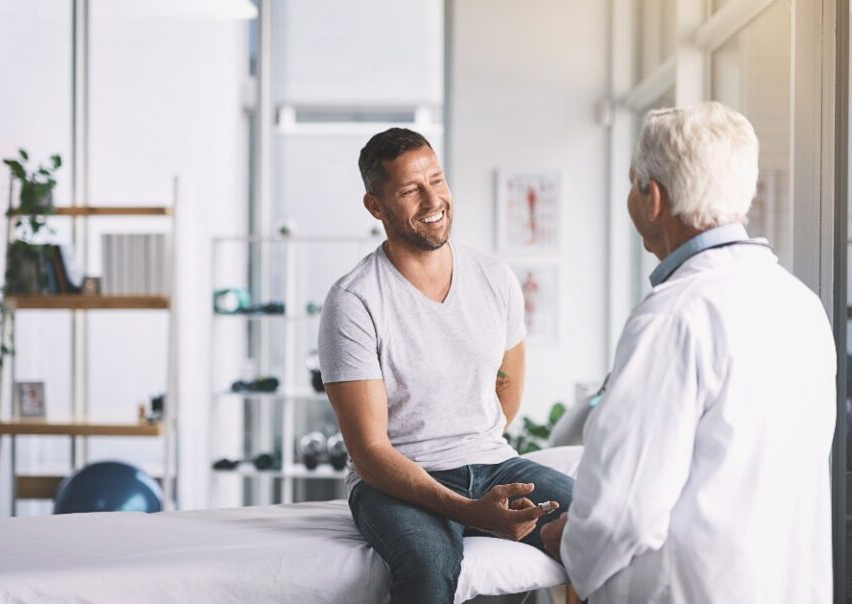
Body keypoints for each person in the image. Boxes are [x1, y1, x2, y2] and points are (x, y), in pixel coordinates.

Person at [540, 102, 836, 603]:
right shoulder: (800, 303)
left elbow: (621, 511)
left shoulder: (673, 316)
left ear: (652, 198)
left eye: (633, 184)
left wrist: (567, 541)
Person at [318, 127, 574, 603]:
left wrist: (475, 462)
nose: (433, 199)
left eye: (437, 180)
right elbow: (369, 451)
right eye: (410, 190)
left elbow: (507, 391)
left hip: (493, 463)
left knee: (601, 523)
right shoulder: (354, 301)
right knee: (429, 564)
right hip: (395, 482)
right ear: (376, 206)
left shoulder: (494, 277)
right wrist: (468, 510)